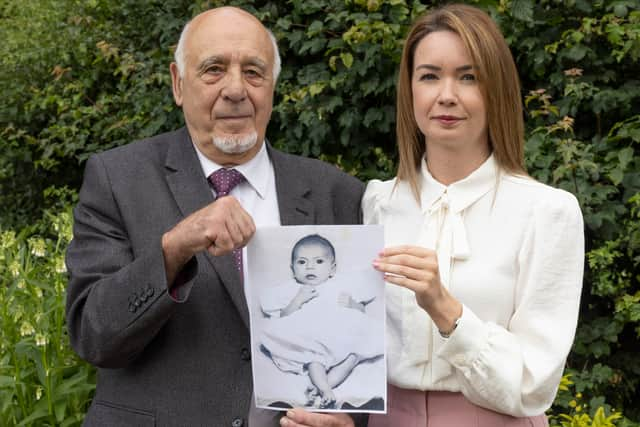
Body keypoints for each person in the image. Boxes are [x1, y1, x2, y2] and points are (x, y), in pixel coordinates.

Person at [65, 6, 367, 427]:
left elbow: (360, 337)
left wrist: (348, 420)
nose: (236, 89)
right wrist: (173, 250)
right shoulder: (118, 179)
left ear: (273, 88)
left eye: (254, 72)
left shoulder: (337, 193)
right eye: (213, 69)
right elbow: (93, 336)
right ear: (178, 83)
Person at [356, 3, 584, 427]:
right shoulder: (377, 202)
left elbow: (532, 385)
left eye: (468, 77)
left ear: (496, 90)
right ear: (410, 92)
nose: (447, 95)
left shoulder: (546, 212)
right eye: (429, 76)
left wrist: (446, 310)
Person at [258, 234, 382, 410]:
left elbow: (362, 312)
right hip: (313, 339)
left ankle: (322, 390)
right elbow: (283, 317)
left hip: (341, 335)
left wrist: (353, 304)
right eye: (302, 262)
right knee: (314, 360)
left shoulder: (342, 283)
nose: (310, 267)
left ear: (332, 269)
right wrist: (297, 300)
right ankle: (324, 388)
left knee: (352, 357)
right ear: (292, 269)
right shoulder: (293, 289)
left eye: (318, 262)